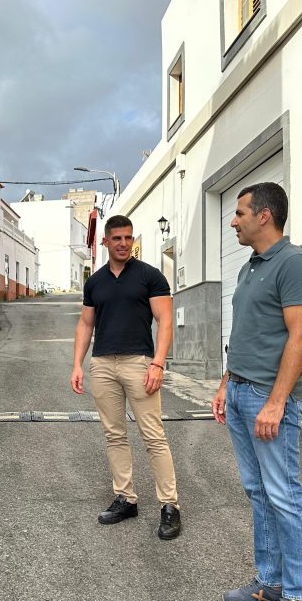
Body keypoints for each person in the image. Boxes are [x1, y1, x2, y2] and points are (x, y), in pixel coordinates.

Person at [210, 182, 302, 601]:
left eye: (239, 213)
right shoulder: (249, 267)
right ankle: (270, 582)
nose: (233, 221)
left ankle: (299, 599)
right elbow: (247, 331)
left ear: (265, 216)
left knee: (284, 495)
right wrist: (224, 383)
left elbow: (301, 338)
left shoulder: (294, 264)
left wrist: (276, 402)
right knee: (258, 491)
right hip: (240, 392)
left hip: (269, 398)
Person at [71, 214, 182, 541]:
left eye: (128, 238)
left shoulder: (150, 276)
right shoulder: (95, 282)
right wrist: (77, 364)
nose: (123, 244)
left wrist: (158, 364)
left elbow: (165, 321)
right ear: (104, 241)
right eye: (116, 238)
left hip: (139, 363)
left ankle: (170, 506)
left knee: (153, 435)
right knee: (114, 434)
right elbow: (85, 324)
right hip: (103, 364)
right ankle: (126, 498)